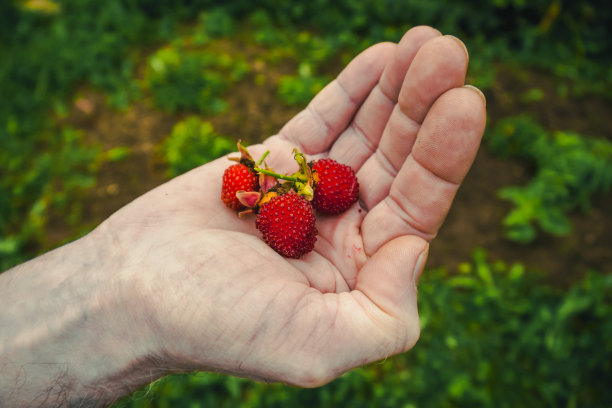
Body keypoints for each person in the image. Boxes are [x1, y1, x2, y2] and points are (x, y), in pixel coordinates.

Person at [0, 25, 486, 407]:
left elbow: (323, 197)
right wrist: (126, 287)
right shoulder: (282, 205)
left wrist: (118, 287)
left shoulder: (289, 203)